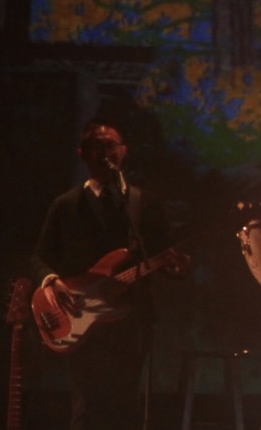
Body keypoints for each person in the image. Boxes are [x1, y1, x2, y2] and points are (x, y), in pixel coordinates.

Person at [31, 121, 184, 429]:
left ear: (123, 151)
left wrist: (177, 268)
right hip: (79, 317)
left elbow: (165, 255)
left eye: (111, 145)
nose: (105, 153)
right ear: (82, 154)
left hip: (131, 319)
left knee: (125, 405)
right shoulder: (66, 205)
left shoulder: (144, 203)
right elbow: (39, 257)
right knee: (86, 406)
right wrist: (53, 283)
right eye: (97, 147)